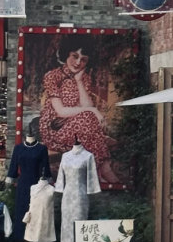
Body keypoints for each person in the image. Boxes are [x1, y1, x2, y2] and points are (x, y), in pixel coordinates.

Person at [38, 35, 119, 186]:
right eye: (75, 56)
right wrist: (93, 110)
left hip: (79, 125)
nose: (78, 63)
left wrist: (79, 81)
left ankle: (101, 169)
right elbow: (61, 111)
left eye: (83, 60)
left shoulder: (84, 78)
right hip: (55, 127)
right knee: (89, 118)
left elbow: (85, 106)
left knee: (88, 120)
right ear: (66, 54)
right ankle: (103, 169)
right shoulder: (52, 76)